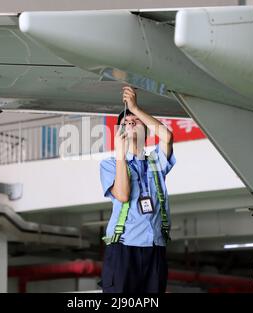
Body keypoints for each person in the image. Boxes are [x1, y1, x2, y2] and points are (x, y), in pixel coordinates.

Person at [99, 86, 176, 293]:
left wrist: (135, 107)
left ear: (147, 130)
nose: (130, 122)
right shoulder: (110, 164)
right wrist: (120, 156)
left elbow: (167, 137)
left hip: (155, 248)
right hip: (124, 248)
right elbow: (123, 195)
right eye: (125, 122)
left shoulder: (156, 161)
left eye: (136, 120)